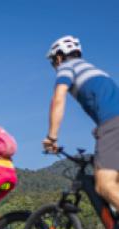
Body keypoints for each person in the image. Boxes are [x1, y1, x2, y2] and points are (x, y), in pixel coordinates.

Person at [43, 35, 119, 212]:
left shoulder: (67, 67)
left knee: (105, 185)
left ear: (59, 57)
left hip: (113, 124)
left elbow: (58, 99)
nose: (55, 67)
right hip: (111, 125)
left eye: (53, 62)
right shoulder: (96, 71)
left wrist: (51, 137)